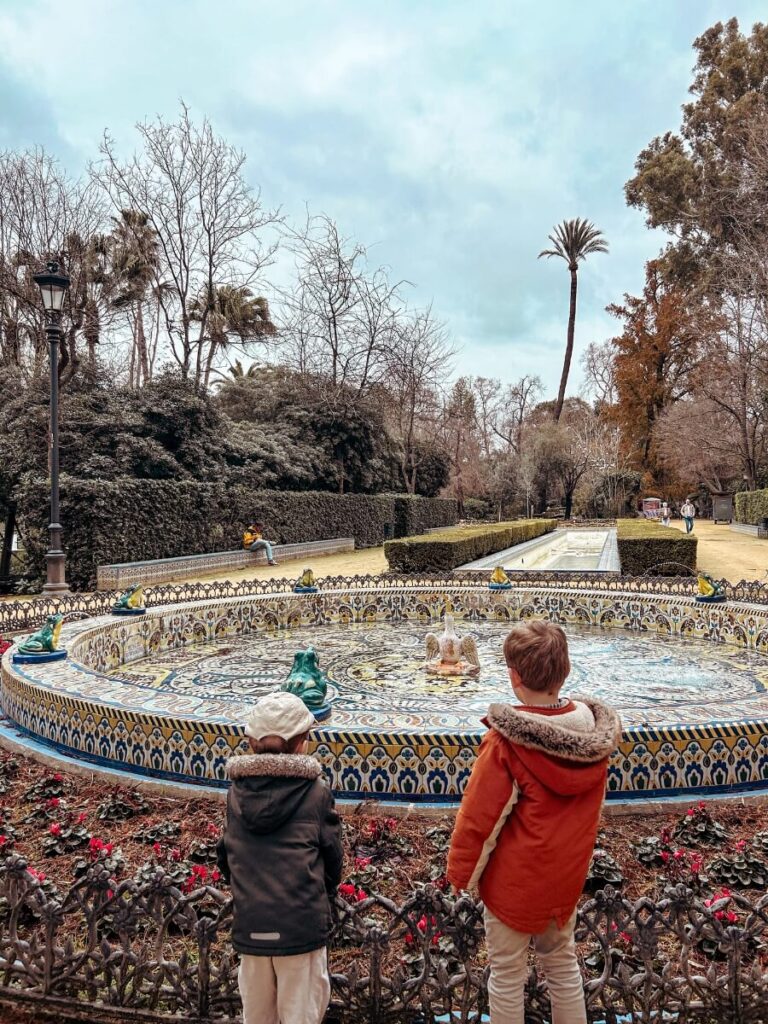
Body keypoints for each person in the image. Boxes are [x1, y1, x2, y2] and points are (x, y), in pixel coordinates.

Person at [447, 620, 621, 1024]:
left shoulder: (507, 742)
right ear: (566, 672)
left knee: (507, 976)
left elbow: (481, 818)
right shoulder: (593, 739)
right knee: (562, 967)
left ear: (513, 676)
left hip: (514, 886)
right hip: (563, 882)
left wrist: (461, 874)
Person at [217, 692, 343, 1024]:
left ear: (251, 741)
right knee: (301, 1014)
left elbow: (225, 856)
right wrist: (323, 896)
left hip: (251, 923)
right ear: (302, 742)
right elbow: (332, 859)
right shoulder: (316, 793)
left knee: (257, 1015)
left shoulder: (236, 793)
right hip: (300, 928)